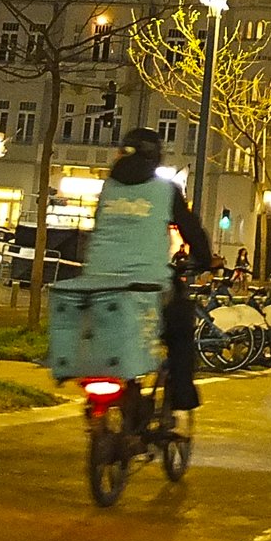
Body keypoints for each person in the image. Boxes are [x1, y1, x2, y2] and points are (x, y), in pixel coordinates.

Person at [83, 126, 214, 418]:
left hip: (99, 284)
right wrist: (205, 259)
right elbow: (192, 231)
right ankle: (181, 394)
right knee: (180, 327)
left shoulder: (108, 188)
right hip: (148, 286)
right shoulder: (166, 191)